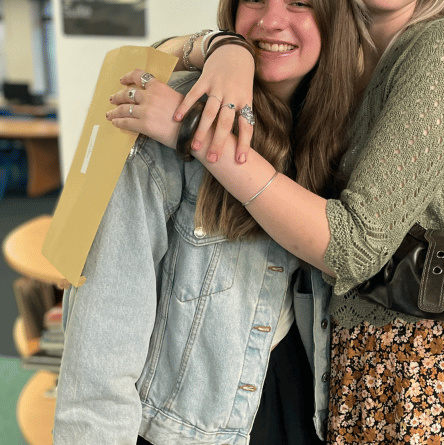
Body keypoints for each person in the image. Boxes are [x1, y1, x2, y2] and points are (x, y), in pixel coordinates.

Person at [111, 0, 444, 443]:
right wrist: (223, 46)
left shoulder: (443, 44)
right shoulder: (339, 68)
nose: (274, 16)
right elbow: (145, 59)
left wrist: (194, 129)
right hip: (345, 362)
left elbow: (353, 246)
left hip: (424, 366)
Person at [52, 1, 362, 444]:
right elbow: (100, 348)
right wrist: (218, 50)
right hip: (186, 424)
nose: (271, 20)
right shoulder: (166, 112)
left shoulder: (341, 127)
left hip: (296, 399)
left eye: (300, 2)